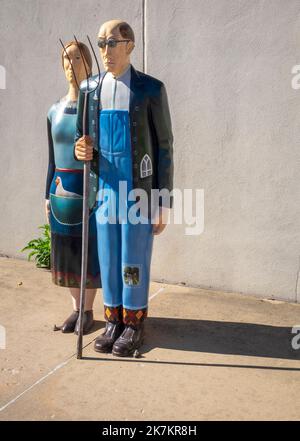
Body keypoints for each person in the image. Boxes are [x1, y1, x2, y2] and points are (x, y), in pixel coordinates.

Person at [74, 20, 173, 356]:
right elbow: (80, 139)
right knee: (109, 256)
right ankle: (112, 317)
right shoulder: (89, 89)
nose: (106, 51)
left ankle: (133, 321)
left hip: (137, 193)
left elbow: (164, 148)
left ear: (130, 45)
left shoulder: (150, 90)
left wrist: (162, 201)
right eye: (101, 43)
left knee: (133, 258)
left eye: (113, 43)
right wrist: (81, 149)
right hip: (103, 190)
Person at [45, 41, 101, 335]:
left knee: (87, 249)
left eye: (77, 59)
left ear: (88, 65)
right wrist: (46, 195)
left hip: (87, 185)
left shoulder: (95, 108)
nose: (71, 65)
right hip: (60, 188)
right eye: (66, 59)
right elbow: (51, 157)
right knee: (65, 249)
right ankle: (77, 308)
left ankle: (89, 310)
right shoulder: (54, 111)